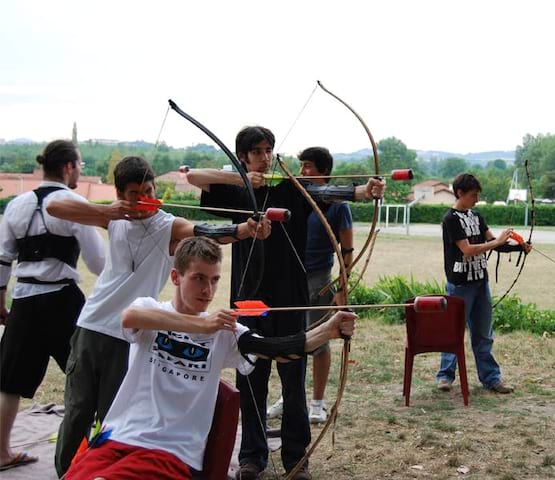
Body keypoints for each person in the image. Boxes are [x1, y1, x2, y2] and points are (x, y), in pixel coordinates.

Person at [63, 236, 357, 480]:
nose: (208, 290)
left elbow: (276, 348)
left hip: (171, 453)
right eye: (199, 278)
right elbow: (130, 317)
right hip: (118, 438)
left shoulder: (226, 331)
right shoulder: (151, 309)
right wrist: (202, 325)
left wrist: (328, 330)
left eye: (214, 280)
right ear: (176, 277)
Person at [47, 155, 270, 477]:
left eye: (150, 190)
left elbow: (205, 230)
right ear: (121, 195)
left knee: (115, 416)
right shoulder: (113, 219)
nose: (145, 200)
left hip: (135, 330)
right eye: (136, 195)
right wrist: (107, 212)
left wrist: (245, 229)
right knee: (77, 411)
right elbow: (54, 207)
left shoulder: (167, 225)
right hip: (93, 324)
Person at [186, 126, 383, 480]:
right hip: (249, 302)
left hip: (290, 300)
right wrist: (240, 178)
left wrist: (363, 191)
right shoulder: (236, 193)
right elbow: (193, 177)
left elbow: (328, 191)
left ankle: (296, 458)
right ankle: (252, 458)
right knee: (251, 380)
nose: (265, 156)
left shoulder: (291, 189)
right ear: (243, 155)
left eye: (269, 149)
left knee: (293, 383)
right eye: (257, 151)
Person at [0, 140, 106, 472]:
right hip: (62, 302)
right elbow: (98, 262)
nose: (80, 170)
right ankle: (100, 452)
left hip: (25, 302)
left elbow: (2, 259)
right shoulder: (75, 204)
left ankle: (0, 452)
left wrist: (0, 303)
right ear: (68, 167)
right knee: (88, 378)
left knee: (8, 382)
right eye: (81, 165)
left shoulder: (16, 205)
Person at [267, 147, 354, 425]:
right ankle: (289, 397)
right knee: (290, 338)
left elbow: (347, 250)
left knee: (318, 338)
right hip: (291, 277)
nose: (302, 171)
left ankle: (317, 402)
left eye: (308, 167)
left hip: (318, 278)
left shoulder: (338, 204)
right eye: (301, 165)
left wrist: (342, 288)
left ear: (323, 171)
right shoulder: (296, 198)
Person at [436, 173, 531, 395]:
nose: (476, 199)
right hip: (459, 285)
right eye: (473, 195)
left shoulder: (477, 217)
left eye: (477, 195)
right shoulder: (450, 219)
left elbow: (493, 243)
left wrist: (519, 247)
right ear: (460, 193)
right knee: (454, 331)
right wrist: (496, 241)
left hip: (480, 283)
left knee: (484, 334)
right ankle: (445, 376)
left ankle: (491, 379)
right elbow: (468, 250)